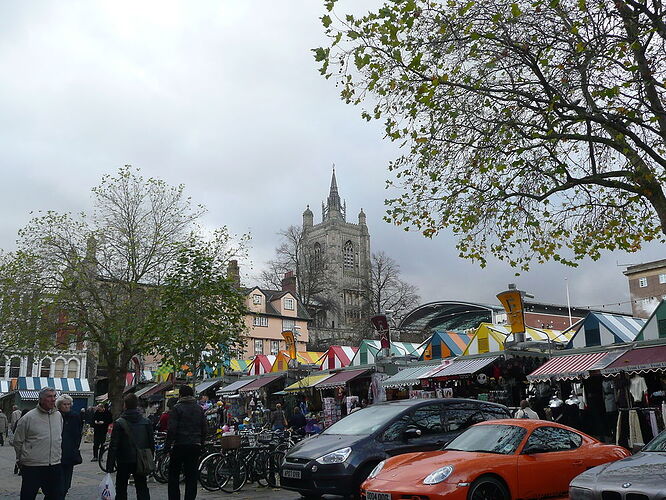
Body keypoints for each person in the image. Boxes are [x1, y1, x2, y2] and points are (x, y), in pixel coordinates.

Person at [13, 387, 64, 500]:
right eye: (49, 396)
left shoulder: (58, 416)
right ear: (40, 399)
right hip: (33, 465)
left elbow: (59, 436)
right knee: (28, 495)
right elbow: (18, 441)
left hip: (54, 463)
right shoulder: (28, 417)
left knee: (55, 495)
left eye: (54, 396)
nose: (53, 399)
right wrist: (21, 458)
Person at [106, 393, 154, 500]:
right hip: (140, 459)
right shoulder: (146, 422)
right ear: (136, 405)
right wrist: (150, 457)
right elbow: (151, 442)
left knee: (121, 487)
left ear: (125, 405)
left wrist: (109, 466)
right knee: (142, 486)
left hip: (124, 459)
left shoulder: (119, 423)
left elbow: (113, 445)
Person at [166, 385, 206, 500]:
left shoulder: (177, 408)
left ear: (180, 395)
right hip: (195, 445)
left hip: (180, 445)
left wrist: (168, 446)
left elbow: (172, 429)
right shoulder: (199, 409)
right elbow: (204, 428)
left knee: (173, 475)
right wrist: (201, 443)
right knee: (191, 476)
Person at [58, 394, 83, 497]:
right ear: (59, 405)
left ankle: (64, 491)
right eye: (64, 404)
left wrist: (75, 447)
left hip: (70, 452)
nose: (67, 406)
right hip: (57, 451)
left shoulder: (75, 416)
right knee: (58, 480)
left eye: (69, 404)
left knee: (67, 479)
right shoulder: (56, 416)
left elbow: (78, 434)